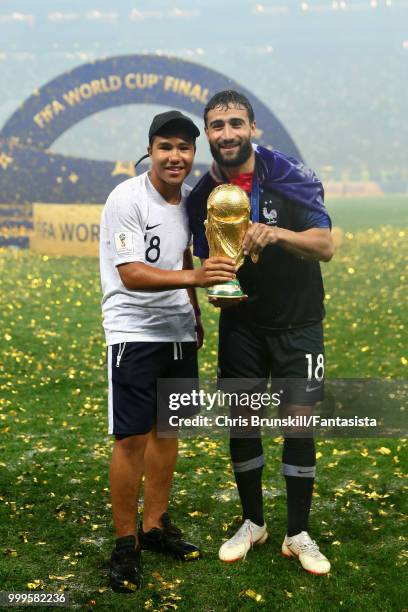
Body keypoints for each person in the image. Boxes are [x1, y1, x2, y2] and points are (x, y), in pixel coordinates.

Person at [187, 91, 334, 575]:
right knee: (243, 422)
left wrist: (278, 235)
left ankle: (297, 532)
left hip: (299, 323)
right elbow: (204, 257)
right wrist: (213, 285)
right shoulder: (201, 196)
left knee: (298, 423)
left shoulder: (290, 176)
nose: (226, 133)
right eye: (216, 126)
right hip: (242, 325)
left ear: (253, 127)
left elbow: (324, 245)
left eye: (235, 123)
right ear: (208, 134)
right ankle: (253, 523)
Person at [99, 110, 236, 592]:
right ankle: (123, 545)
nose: (175, 157)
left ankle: (155, 527)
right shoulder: (126, 198)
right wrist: (198, 276)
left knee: (167, 430)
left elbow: (179, 256)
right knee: (131, 438)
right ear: (150, 150)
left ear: (192, 154)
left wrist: (194, 314)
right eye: (166, 147)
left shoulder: (189, 202)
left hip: (178, 332)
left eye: (184, 148)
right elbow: (131, 273)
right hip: (133, 333)